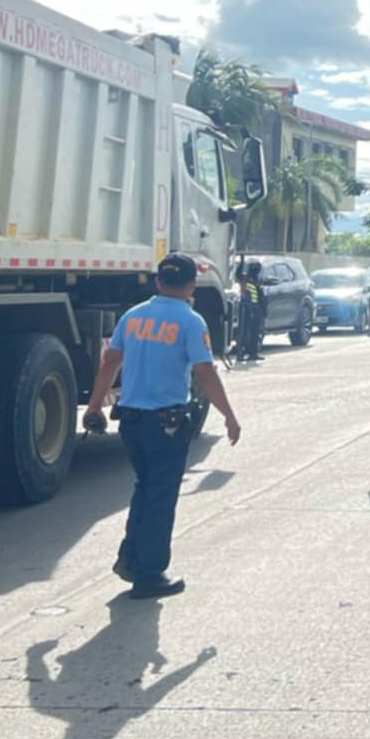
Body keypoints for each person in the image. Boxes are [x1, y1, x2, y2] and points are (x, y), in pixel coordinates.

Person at [82, 253, 242, 599]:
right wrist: (228, 415)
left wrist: (94, 405)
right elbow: (205, 374)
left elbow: (110, 362)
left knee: (146, 488)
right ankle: (150, 573)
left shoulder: (133, 317)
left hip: (130, 422)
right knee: (160, 495)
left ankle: (130, 558)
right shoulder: (191, 321)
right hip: (166, 423)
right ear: (190, 284)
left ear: (158, 282)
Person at [237, 259, 266, 362]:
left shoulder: (258, 280)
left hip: (257, 308)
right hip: (246, 307)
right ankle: (240, 353)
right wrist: (241, 262)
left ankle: (253, 353)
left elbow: (261, 295)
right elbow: (238, 273)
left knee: (255, 331)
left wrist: (263, 310)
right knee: (243, 331)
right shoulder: (244, 279)